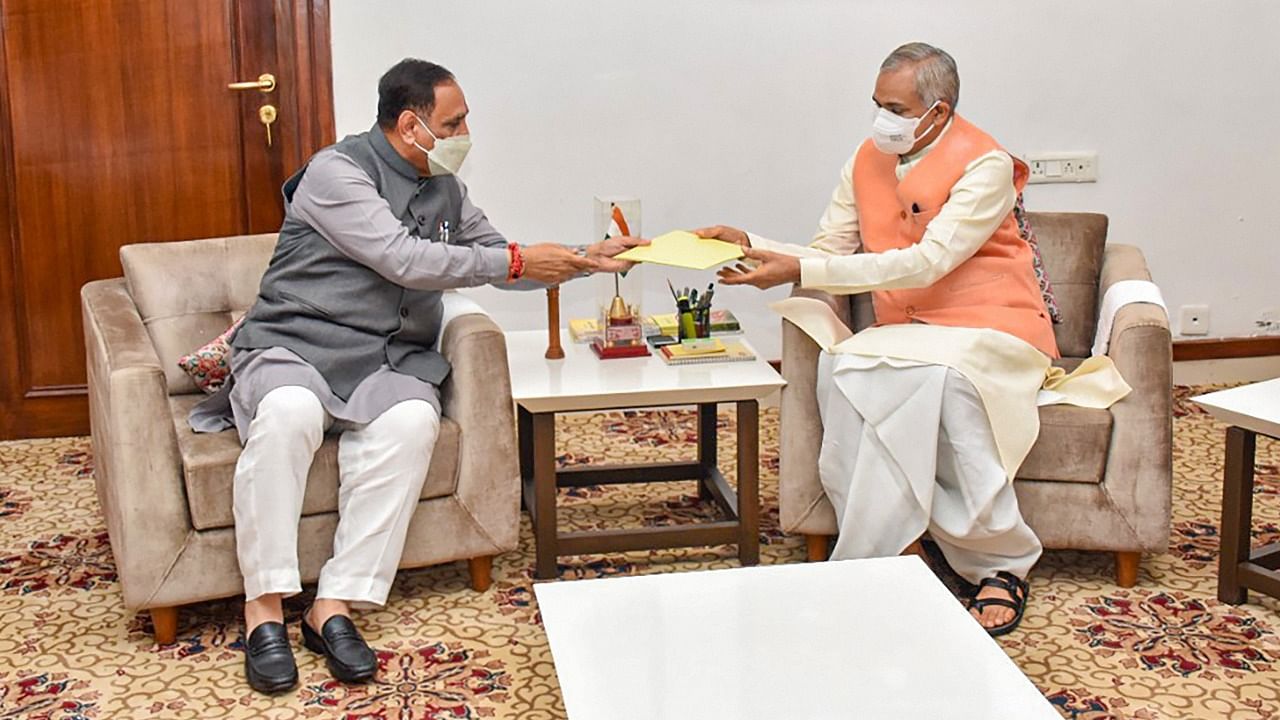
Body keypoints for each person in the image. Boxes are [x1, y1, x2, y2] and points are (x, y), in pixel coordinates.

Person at [189, 58, 642, 694]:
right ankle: (263, 606)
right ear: (411, 124)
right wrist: (514, 259)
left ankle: (335, 604)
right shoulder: (335, 173)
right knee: (288, 413)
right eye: (454, 122)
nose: (465, 133)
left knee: (413, 420)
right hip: (297, 345)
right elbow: (402, 258)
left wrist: (584, 259)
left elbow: (498, 259)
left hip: (381, 359)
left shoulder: (446, 189)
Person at [701, 42, 1055, 637]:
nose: (880, 120)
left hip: (993, 326)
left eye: (895, 107)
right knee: (841, 369)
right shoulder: (865, 159)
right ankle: (891, 547)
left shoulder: (985, 164)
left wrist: (796, 271)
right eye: (876, 104)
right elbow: (828, 249)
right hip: (909, 331)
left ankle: (999, 561)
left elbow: (927, 263)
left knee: (943, 383)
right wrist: (750, 242)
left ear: (937, 113)